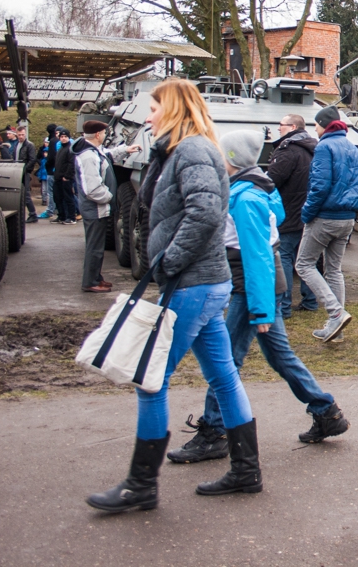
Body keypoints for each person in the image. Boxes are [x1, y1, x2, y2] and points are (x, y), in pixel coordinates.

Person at [86, 79, 259, 513]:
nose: (148, 116)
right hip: (201, 282)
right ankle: (246, 470)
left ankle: (140, 486)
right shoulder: (180, 151)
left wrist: (169, 260)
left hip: (192, 283)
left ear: (175, 109)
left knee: (151, 379)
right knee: (223, 376)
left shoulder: (193, 151)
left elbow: (205, 213)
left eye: (154, 108)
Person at [167, 130, 349, 466]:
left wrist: (261, 309)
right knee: (279, 356)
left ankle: (215, 432)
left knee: (227, 362)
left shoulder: (246, 198)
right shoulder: (255, 187)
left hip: (250, 289)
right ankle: (326, 411)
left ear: (231, 159)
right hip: (259, 287)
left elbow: (258, 256)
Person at [296, 104, 358, 343]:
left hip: (324, 216)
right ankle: (336, 329)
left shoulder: (324, 146)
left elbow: (319, 185)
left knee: (303, 264)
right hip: (347, 218)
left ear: (324, 125)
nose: (314, 128)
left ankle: (335, 313)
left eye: (315, 124)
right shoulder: (354, 149)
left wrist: (306, 213)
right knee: (334, 270)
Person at [73, 120, 140, 292]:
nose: (105, 135)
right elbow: (92, 189)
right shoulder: (88, 156)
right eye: (103, 133)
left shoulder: (93, 151)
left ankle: (96, 278)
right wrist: (110, 197)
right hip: (95, 209)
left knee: (97, 246)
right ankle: (90, 282)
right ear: (97, 135)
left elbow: (107, 155)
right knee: (94, 247)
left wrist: (125, 149)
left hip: (96, 208)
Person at [267, 114, 318, 317]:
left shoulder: (288, 150)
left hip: (288, 209)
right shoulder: (313, 148)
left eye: (281, 124)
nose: (278, 128)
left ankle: (284, 306)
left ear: (293, 126)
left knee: (285, 257)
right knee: (306, 258)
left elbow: (273, 179)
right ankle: (310, 299)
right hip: (308, 210)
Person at [11, 125, 39, 223]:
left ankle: (33, 214)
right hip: (17, 171)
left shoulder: (29, 145)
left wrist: (25, 170)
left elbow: (32, 159)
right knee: (20, 194)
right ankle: (25, 214)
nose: (21, 136)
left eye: (22, 134)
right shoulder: (16, 145)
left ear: (25, 134)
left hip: (24, 172)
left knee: (26, 194)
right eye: (19, 135)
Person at [54, 128, 79, 224]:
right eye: (62, 137)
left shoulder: (70, 149)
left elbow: (71, 163)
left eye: (65, 137)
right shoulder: (61, 149)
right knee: (58, 198)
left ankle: (71, 217)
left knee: (68, 198)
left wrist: (67, 176)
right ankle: (62, 216)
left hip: (66, 178)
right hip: (58, 177)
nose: (63, 138)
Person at [41, 123, 60, 219]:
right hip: (58, 169)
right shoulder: (59, 141)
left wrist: (48, 164)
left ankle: (50, 210)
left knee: (51, 192)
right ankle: (57, 209)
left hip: (51, 170)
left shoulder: (53, 141)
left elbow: (51, 157)